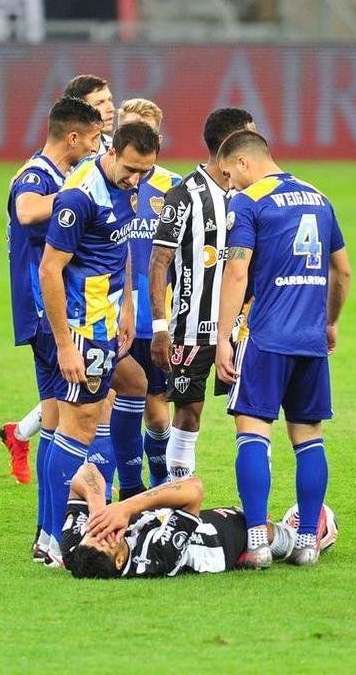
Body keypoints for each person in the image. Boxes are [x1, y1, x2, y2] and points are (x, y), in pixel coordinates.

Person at [214, 130, 352, 568]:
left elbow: (236, 274)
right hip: (310, 341)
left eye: (229, 176)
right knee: (308, 437)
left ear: (241, 163)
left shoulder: (249, 202)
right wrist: (329, 321)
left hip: (266, 337)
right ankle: (308, 542)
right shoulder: (320, 198)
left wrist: (221, 337)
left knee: (252, 431)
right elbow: (343, 271)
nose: (229, 185)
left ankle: (257, 542)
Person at [37, 121, 161, 566]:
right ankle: (52, 539)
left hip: (110, 322)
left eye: (144, 172)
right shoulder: (79, 197)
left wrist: (128, 305)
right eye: (130, 169)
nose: (136, 180)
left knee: (134, 384)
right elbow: (50, 271)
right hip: (82, 329)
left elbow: (122, 246)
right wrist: (65, 346)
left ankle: (124, 488)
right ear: (113, 153)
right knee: (77, 426)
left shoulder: (129, 187)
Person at [1, 97, 103, 561]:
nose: (99, 146)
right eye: (95, 138)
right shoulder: (37, 176)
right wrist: (78, 196)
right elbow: (25, 211)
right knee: (71, 423)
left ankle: (46, 535)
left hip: (44, 311)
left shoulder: (57, 174)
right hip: (48, 312)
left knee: (56, 421)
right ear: (74, 137)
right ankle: (52, 533)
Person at [147, 108, 257, 482]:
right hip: (191, 329)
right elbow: (158, 262)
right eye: (251, 136)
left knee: (252, 417)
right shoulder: (183, 195)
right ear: (231, 144)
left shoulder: (253, 194)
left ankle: (252, 512)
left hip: (242, 330)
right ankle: (179, 501)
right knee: (188, 413)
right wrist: (160, 328)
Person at [111, 98, 181, 499]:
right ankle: (123, 491)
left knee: (157, 411)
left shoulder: (173, 188)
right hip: (107, 314)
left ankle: (158, 486)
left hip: (155, 318)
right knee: (106, 405)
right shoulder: (104, 181)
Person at [60, 463, 298, 579]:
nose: (101, 531)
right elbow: (194, 488)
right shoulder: (154, 557)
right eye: (105, 539)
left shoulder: (77, 551)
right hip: (217, 541)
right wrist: (125, 507)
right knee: (256, 530)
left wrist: (98, 509)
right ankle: (296, 537)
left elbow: (85, 471)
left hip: (173, 519)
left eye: (94, 533)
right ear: (120, 560)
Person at [64, 74, 115, 150]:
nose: (111, 109)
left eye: (110, 100)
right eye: (99, 103)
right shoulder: (60, 155)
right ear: (79, 111)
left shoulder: (115, 148)